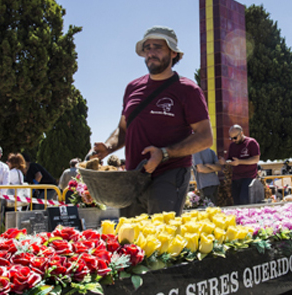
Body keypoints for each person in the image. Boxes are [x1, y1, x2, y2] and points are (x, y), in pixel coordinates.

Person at [91, 26, 212, 217]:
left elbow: (205, 137)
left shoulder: (188, 90)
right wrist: (107, 147)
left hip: (169, 174)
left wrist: (164, 153)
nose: (151, 53)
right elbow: (123, 129)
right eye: (147, 48)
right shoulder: (132, 87)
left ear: (173, 53)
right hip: (133, 177)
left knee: (161, 237)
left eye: (158, 47)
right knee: (130, 238)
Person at [225, 125, 260, 205]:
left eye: (235, 138)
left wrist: (239, 162)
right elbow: (229, 159)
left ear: (241, 133)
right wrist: (225, 162)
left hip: (248, 177)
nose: (233, 140)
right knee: (236, 202)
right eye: (231, 138)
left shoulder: (251, 142)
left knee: (244, 200)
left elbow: (256, 159)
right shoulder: (232, 145)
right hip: (236, 177)